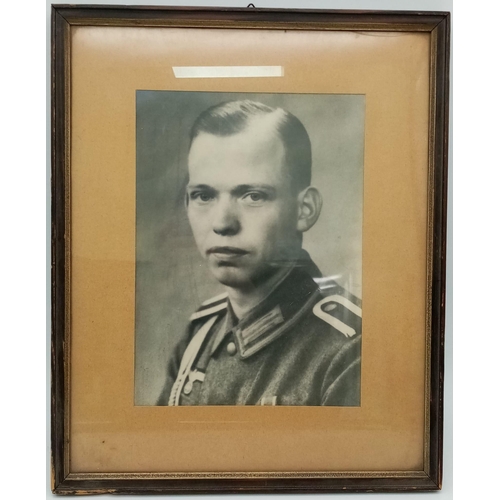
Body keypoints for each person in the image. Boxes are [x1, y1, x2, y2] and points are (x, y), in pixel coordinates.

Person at [157, 100, 361, 406]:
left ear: (304, 210)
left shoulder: (351, 349)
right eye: (203, 195)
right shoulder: (198, 336)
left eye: (252, 196)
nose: (222, 223)